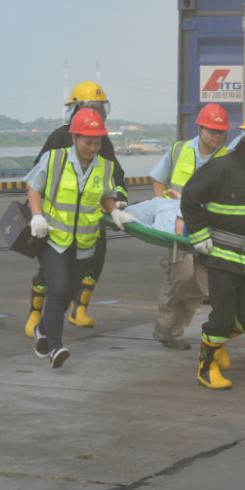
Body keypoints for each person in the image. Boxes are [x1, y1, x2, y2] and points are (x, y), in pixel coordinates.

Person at [180, 105, 245, 390]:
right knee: (222, 315)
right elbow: (190, 198)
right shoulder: (222, 167)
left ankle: (217, 344)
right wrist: (200, 233)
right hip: (222, 256)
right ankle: (207, 366)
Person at [25, 108, 135, 368]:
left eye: (97, 142)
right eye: (87, 142)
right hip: (53, 238)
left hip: (85, 242)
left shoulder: (104, 166)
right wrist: (37, 216)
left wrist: (114, 212)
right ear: (74, 137)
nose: (92, 147)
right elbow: (33, 188)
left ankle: (43, 329)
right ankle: (55, 347)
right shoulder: (55, 160)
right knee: (59, 289)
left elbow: (106, 195)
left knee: (68, 292)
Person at [148, 103, 230, 351]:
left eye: (221, 132)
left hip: (208, 230)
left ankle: (174, 333)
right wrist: (163, 204)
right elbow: (158, 179)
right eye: (212, 131)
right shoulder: (179, 150)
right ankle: (163, 327)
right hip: (179, 226)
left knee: (199, 286)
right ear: (200, 128)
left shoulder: (227, 159)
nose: (216, 136)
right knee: (180, 276)